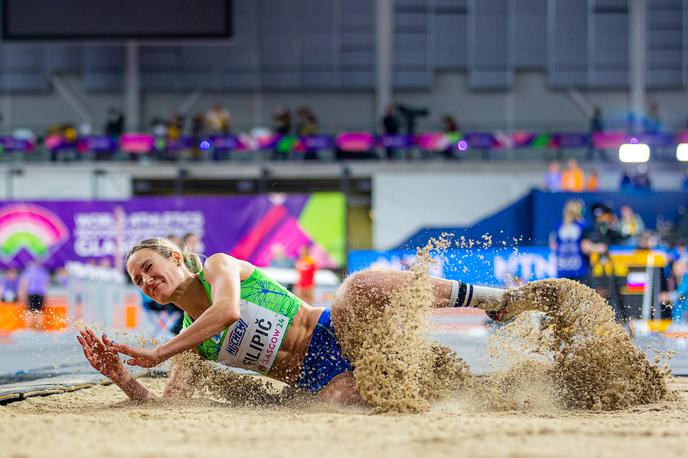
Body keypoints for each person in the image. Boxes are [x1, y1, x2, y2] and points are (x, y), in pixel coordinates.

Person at [77, 238, 534, 405]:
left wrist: (155, 353)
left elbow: (228, 312)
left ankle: (497, 302)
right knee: (343, 403)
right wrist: (121, 376)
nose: (146, 280)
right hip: (317, 376)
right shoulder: (191, 341)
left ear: (176, 257)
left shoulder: (218, 267)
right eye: (138, 279)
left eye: (150, 267)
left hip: (333, 329)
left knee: (357, 287)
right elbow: (165, 406)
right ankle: (489, 393)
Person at [552, 199, 588, 281]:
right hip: (579, 268)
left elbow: (554, 246)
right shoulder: (583, 226)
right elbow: (585, 247)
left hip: (562, 268)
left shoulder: (559, 227)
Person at [18, 261, 51, 328]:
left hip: (31, 293)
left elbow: (24, 283)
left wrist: (22, 295)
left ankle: (29, 328)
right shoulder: (44, 272)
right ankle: (39, 328)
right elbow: (47, 284)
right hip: (41, 294)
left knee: (30, 311)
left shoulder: (28, 271)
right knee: (39, 312)